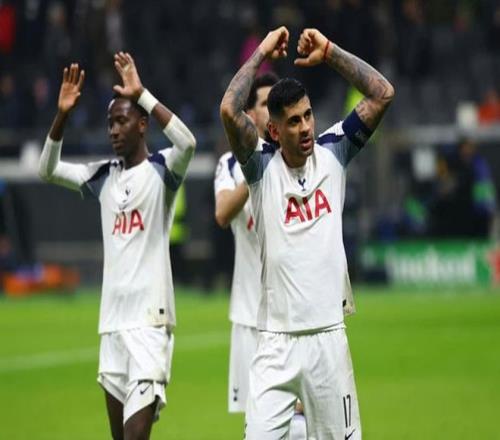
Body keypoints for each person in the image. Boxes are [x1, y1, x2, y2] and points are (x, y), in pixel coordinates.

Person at [220, 26, 394, 439]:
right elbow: (229, 109)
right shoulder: (261, 168)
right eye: (293, 121)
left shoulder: (334, 151)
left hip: (327, 338)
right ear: (274, 131)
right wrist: (262, 52)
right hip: (275, 344)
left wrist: (330, 51)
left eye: (308, 115)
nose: (305, 128)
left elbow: (382, 94)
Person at [39, 52, 196, 439]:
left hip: (150, 325)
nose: (113, 130)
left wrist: (142, 95)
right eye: (110, 123)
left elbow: (188, 142)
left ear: (142, 125)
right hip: (111, 327)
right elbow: (47, 169)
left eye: (122, 121)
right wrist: (61, 116)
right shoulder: (103, 177)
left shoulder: (161, 170)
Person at [214, 72, 307, 439]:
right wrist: (256, 165)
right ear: (251, 114)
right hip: (247, 315)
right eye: (266, 104)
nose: (273, 112)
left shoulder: (296, 161)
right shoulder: (231, 164)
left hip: (291, 316)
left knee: (299, 421)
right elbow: (222, 213)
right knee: (255, 424)